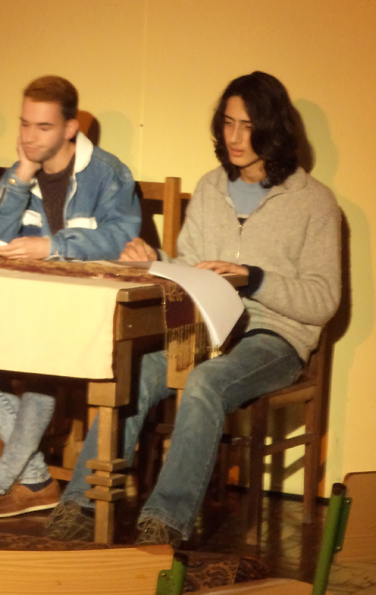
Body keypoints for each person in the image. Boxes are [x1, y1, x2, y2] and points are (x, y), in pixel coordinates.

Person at [45, 71, 342, 544]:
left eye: (248, 126)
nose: (235, 137)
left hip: (274, 338)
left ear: (274, 129)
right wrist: (155, 260)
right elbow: (192, 267)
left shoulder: (315, 202)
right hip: (206, 327)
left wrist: (255, 278)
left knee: (206, 382)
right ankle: (82, 502)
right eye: (228, 123)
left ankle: (166, 520)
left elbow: (324, 301)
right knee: (134, 372)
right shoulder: (211, 187)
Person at [0, 75, 141, 518]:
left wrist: (53, 246)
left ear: (70, 128)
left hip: (84, 310)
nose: (30, 136)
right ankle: (36, 481)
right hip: (25, 305)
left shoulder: (107, 172)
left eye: (43, 127)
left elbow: (121, 237)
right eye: (25, 124)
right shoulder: (21, 172)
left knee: (41, 363)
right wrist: (21, 174)